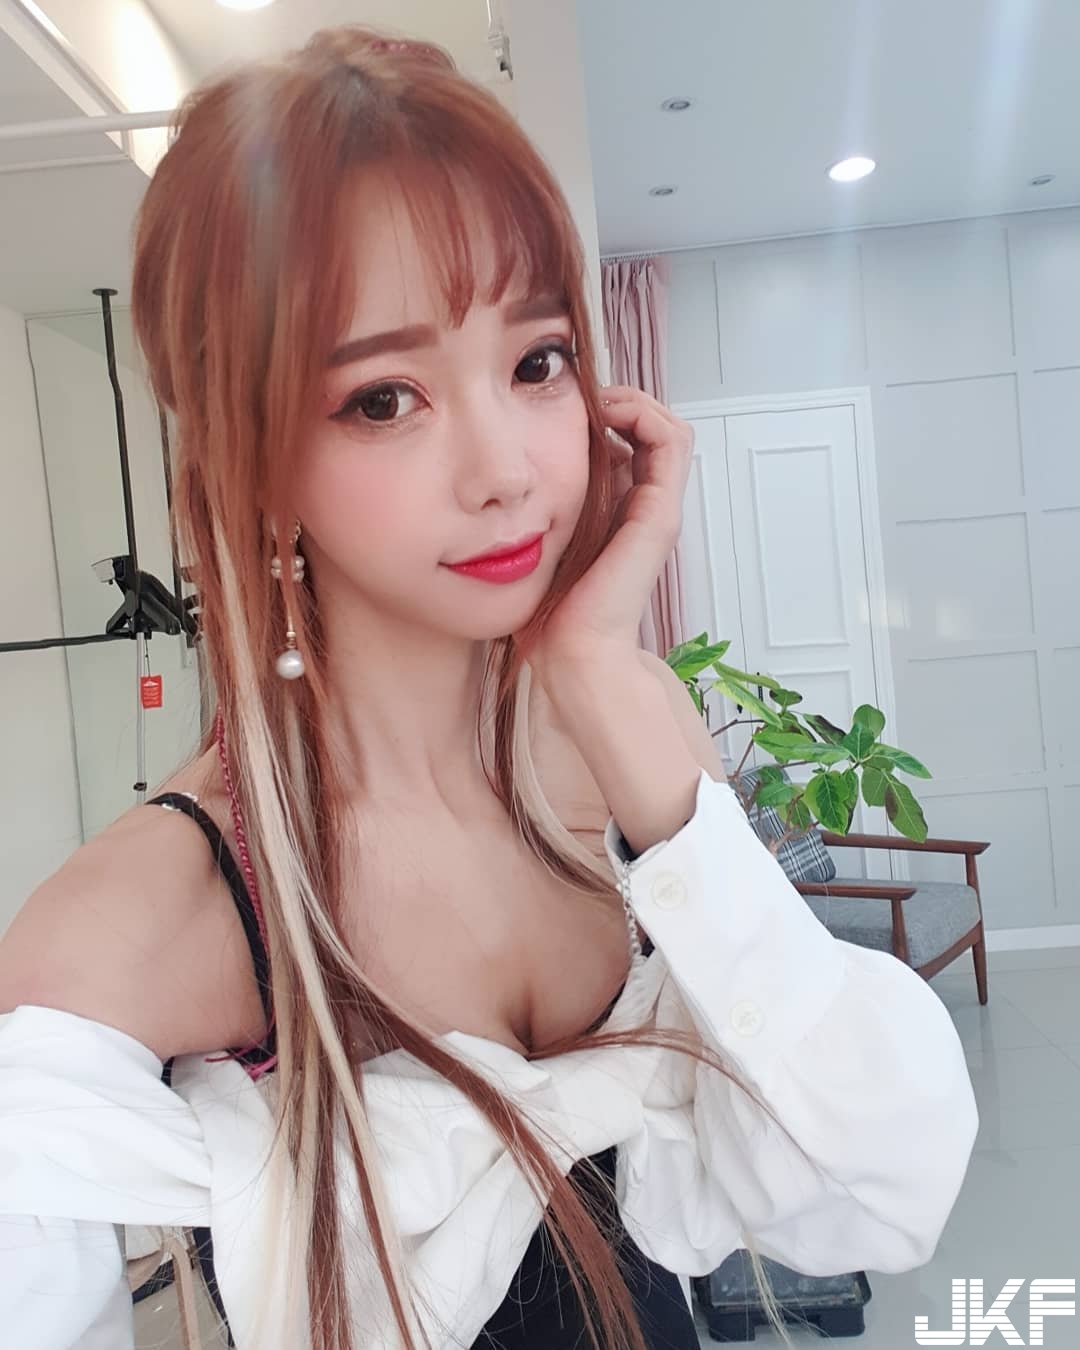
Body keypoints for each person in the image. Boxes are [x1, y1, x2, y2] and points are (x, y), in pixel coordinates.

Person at [0, 25, 978, 1350]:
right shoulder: (154, 912)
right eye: (383, 398)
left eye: (536, 361)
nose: (507, 469)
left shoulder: (618, 739)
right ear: (252, 454)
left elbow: (871, 1192)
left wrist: (603, 675)